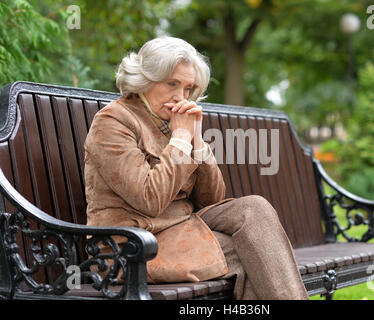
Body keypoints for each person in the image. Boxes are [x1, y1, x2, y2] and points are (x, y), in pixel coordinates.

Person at [84, 36, 309, 300]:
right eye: (172, 84)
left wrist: (198, 142)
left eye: (188, 88)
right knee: (250, 255)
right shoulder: (114, 121)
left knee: (254, 208)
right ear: (145, 78)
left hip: (183, 229)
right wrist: (180, 141)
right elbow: (149, 199)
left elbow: (212, 200)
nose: (180, 96)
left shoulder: (172, 120)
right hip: (131, 245)